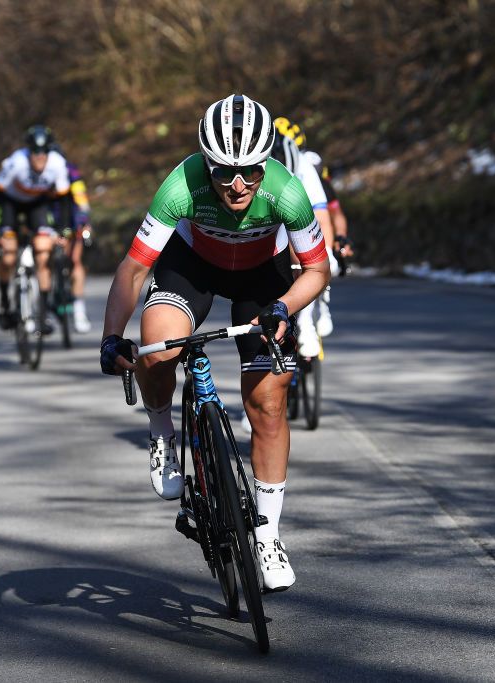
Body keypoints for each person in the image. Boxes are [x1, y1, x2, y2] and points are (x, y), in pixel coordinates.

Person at [99, 94, 331, 592]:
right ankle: (163, 431)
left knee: (268, 402)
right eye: (224, 172)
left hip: (261, 279)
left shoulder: (286, 192)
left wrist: (283, 308)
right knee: (159, 348)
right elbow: (135, 267)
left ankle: (267, 534)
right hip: (193, 267)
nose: (238, 183)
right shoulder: (180, 185)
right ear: (207, 164)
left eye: (249, 170)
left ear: (265, 161)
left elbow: (317, 269)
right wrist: (110, 337)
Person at [274, 117, 354, 337]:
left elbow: (329, 214)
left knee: (317, 256)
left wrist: (334, 244)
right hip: (282, 217)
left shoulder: (312, 168)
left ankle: (320, 304)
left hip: (310, 213)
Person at [0, 125, 71, 330]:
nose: (39, 157)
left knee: (43, 251)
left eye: (44, 152)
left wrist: (63, 229)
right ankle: (5, 303)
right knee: (8, 255)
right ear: (28, 151)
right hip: (10, 203)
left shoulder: (58, 164)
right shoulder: (16, 163)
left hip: (36, 204)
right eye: (35, 152)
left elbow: (64, 200)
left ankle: (42, 314)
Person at [50, 150, 94, 333]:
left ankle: (78, 309)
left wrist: (84, 221)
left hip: (69, 218)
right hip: (47, 220)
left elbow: (81, 200)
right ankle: (45, 304)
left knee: (75, 261)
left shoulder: (71, 173)